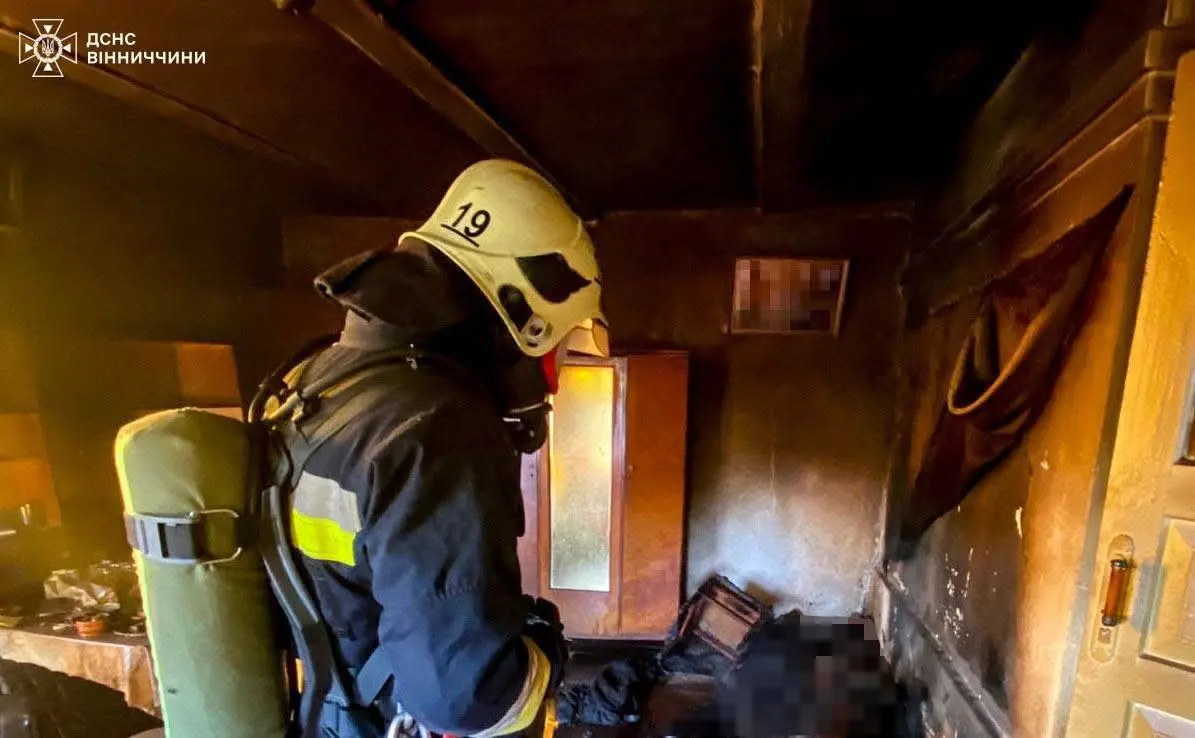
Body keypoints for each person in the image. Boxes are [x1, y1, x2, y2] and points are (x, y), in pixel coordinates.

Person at [284, 160, 609, 737]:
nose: (553, 375)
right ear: (525, 320)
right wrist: (545, 655)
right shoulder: (437, 429)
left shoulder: (320, 383)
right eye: (559, 344)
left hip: (328, 712)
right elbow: (465, 699)